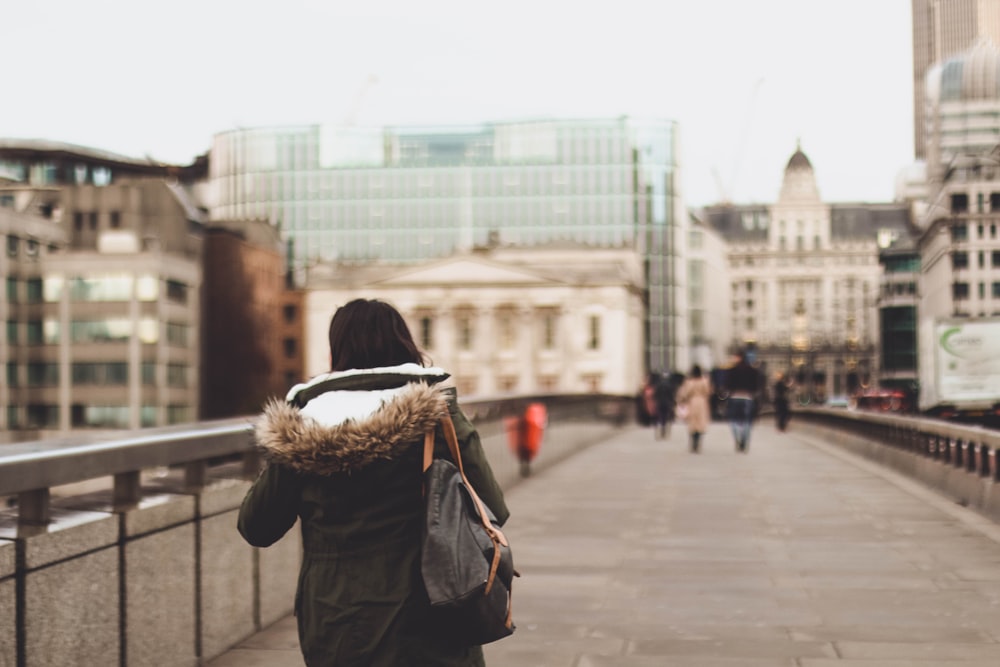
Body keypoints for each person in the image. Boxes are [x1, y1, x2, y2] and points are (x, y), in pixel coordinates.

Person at [238, 298, 509, 667]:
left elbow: (257, 527)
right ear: (405, 345)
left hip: (335, 620)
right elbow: (493, 506)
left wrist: (283, 460)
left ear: (336, 352)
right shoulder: (436, 418)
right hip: (433, 612)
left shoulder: (300, 428)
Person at [726, 349, 761, 452]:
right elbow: (756, 386)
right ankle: (744, 440)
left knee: (734, 420)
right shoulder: (753, 370)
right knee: (747, 421)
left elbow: (727, 385)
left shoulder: (732, 370)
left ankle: (737, 438)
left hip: (734, 397)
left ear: (739, 357)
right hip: (748, 397)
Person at [676, 365, 712, 452]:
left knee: (692, 422)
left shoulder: (689, 382)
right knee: (700, 422)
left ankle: (693, 442)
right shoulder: (704, 381)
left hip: (692, 402)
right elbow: (708, 392)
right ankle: (698, 441)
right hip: (702, 402)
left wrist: (681, 399)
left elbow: (685, 393)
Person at [652, 372, 676, 440]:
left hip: (660, 403)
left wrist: (656, 400)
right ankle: (664, 429)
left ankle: (661, 428)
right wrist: (673, 402)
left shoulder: (658, 385)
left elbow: (655, 394)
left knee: (660, 416)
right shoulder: (669, 385)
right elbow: (671, 395)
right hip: (667, 403)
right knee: (666, 416)